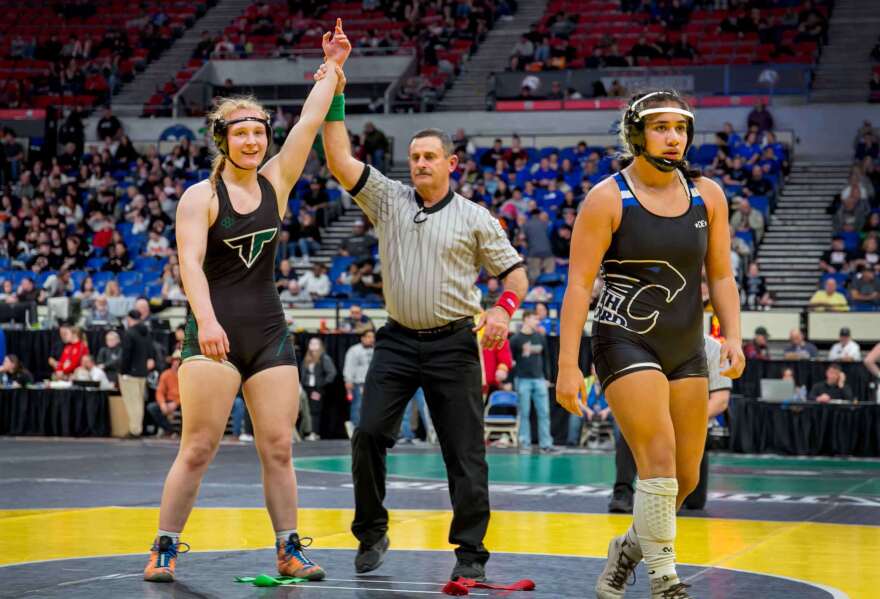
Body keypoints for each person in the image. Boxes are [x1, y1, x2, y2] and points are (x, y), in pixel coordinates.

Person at [143, 20, 350, 584]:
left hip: (268, 331)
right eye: (242, 135)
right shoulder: (200, 197)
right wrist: (206, 321)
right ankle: (164, 546)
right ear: (222, 140)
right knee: (199, 447)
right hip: (214, 331)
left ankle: (288, 548)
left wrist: (332, 66)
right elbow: (188, 264)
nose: (253, 142)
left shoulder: (277, 180)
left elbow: (309, 123)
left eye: (259, 133)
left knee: (279, 447)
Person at [321, 59, 528, 582]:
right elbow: (340, 159)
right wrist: (336, 95)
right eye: (414, 157)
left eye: (430, 157)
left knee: (465, 454)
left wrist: (503, 311)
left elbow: (516, 276)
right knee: (367, 434)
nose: (420, 164)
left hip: (455, 343)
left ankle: (471, 555)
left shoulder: (476, 217)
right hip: (396, 341)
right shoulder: (388, 199)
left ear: (451, 163)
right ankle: (371, 531)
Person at [554, 90, 745, 599]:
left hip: (685, 345)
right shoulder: (608, 197)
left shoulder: (709, 196)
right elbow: (577, 286)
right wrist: (567, 366)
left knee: (682, 481)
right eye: (661, 127)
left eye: (680, 128)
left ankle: (628, 550)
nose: (673, 137)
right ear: (637, 134)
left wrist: (734, 337)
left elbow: (721, 275)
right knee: (656, 458)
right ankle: (665, 581)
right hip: (623, 339)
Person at [610, 335, 734, 514]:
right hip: (653, 417)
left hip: (690, 426)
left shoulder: (714, 349)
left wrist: (686, 419)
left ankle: (677, 492)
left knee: (694, 502)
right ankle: (622, 492)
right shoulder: (648, 341)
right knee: (630, 428)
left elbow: (721, 401)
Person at [509, 310, 556, 453]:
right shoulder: (515, 339)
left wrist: (547, 378)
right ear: (526, 319)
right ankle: (525, 443)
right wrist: (510, 381)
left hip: (540, 380)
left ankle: (546, 444)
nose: (538, 322)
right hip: (522, 380)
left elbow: (546, 359)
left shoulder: (540, 337)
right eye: (535, 319)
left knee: (544, 413)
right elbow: (510, 362)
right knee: (524, 413)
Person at [120, 310, 155, 436]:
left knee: (132, 402)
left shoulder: (129, 333)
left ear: (129, 319)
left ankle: (135, 430)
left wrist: (123, 371)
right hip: (142, 372)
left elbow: (126, 354)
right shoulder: (146, 332)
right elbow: (151, 349)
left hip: (131, 372)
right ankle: (138, 428)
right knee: (139, 402)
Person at [298, 337, 337, 440]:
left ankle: (314, 433)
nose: (313, 345)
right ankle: (306, 432)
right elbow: (302, 373)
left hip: (316, 389)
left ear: (320, 346)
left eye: (316, 343)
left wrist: (322, 384)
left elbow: (332, 373)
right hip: (306, 388)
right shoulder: (307, 358)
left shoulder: (324, 357)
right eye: (311, 343)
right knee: (305, 410)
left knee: (315, 411)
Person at [343, 329, 375, 436]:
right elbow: (349, 366)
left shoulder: (376, 350)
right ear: (362, 338)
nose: (371, 339)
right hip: (359, 383)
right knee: (358, 405)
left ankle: (369, 429)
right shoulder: (354, 350)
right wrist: (348, 380)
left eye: (373, 337)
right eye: (369, 337)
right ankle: (355, 428)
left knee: (372, 406)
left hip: (373, 384)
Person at [146, 351, 182, 437]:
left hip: (182, 402)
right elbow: (160, 392)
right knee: (152, 407)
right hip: (168, 400)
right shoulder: (166, 374)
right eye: (176, 360)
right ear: (172, 361)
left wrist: (176, 403)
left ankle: (181, 431)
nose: (177, 362)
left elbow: (189, 393)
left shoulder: (186, 374)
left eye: (180, 360)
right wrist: (162, 404)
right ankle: (171, 430)